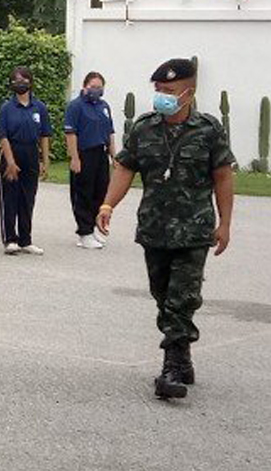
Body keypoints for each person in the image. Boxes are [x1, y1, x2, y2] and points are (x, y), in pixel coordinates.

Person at [97, 58, 235, 400]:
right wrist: (107, 204)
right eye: (158, 90)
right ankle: (182, 354)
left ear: (188, 92)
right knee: (162, 293)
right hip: (155, 228)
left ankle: (172, 366)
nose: (162, 96)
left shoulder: (208, 130)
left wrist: (225, 223)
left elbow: (223, 176)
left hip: (194, 229)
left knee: (182, 297)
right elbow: (125, 168)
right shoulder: (145, 127)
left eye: (169, 91)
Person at [0, 67, 54, 255]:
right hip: (11, 151)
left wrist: (44, 161)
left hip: (30, 152)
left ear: (30, 82)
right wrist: (10, 162)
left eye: (23, 79)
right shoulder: (7, 108)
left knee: (28, 198)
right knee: (10, 198)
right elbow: (3, 136)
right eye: (16, 80)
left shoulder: (39, 107)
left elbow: (45, 135)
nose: (20, 83)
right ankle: (10, 239)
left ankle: (25, 239)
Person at [63, 70, 116, 249]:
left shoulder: (104, 106)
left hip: (101, 153)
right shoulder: (76, 106)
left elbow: (110, 132)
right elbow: (71, 133)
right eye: (93, 87)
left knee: (100, 192)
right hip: (84, 153)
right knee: (83, 193)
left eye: (99, 87)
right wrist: (74, 157)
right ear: (85, 86)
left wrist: (114, 155)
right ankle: (84, 232)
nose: (96, 90)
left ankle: (93, 228)